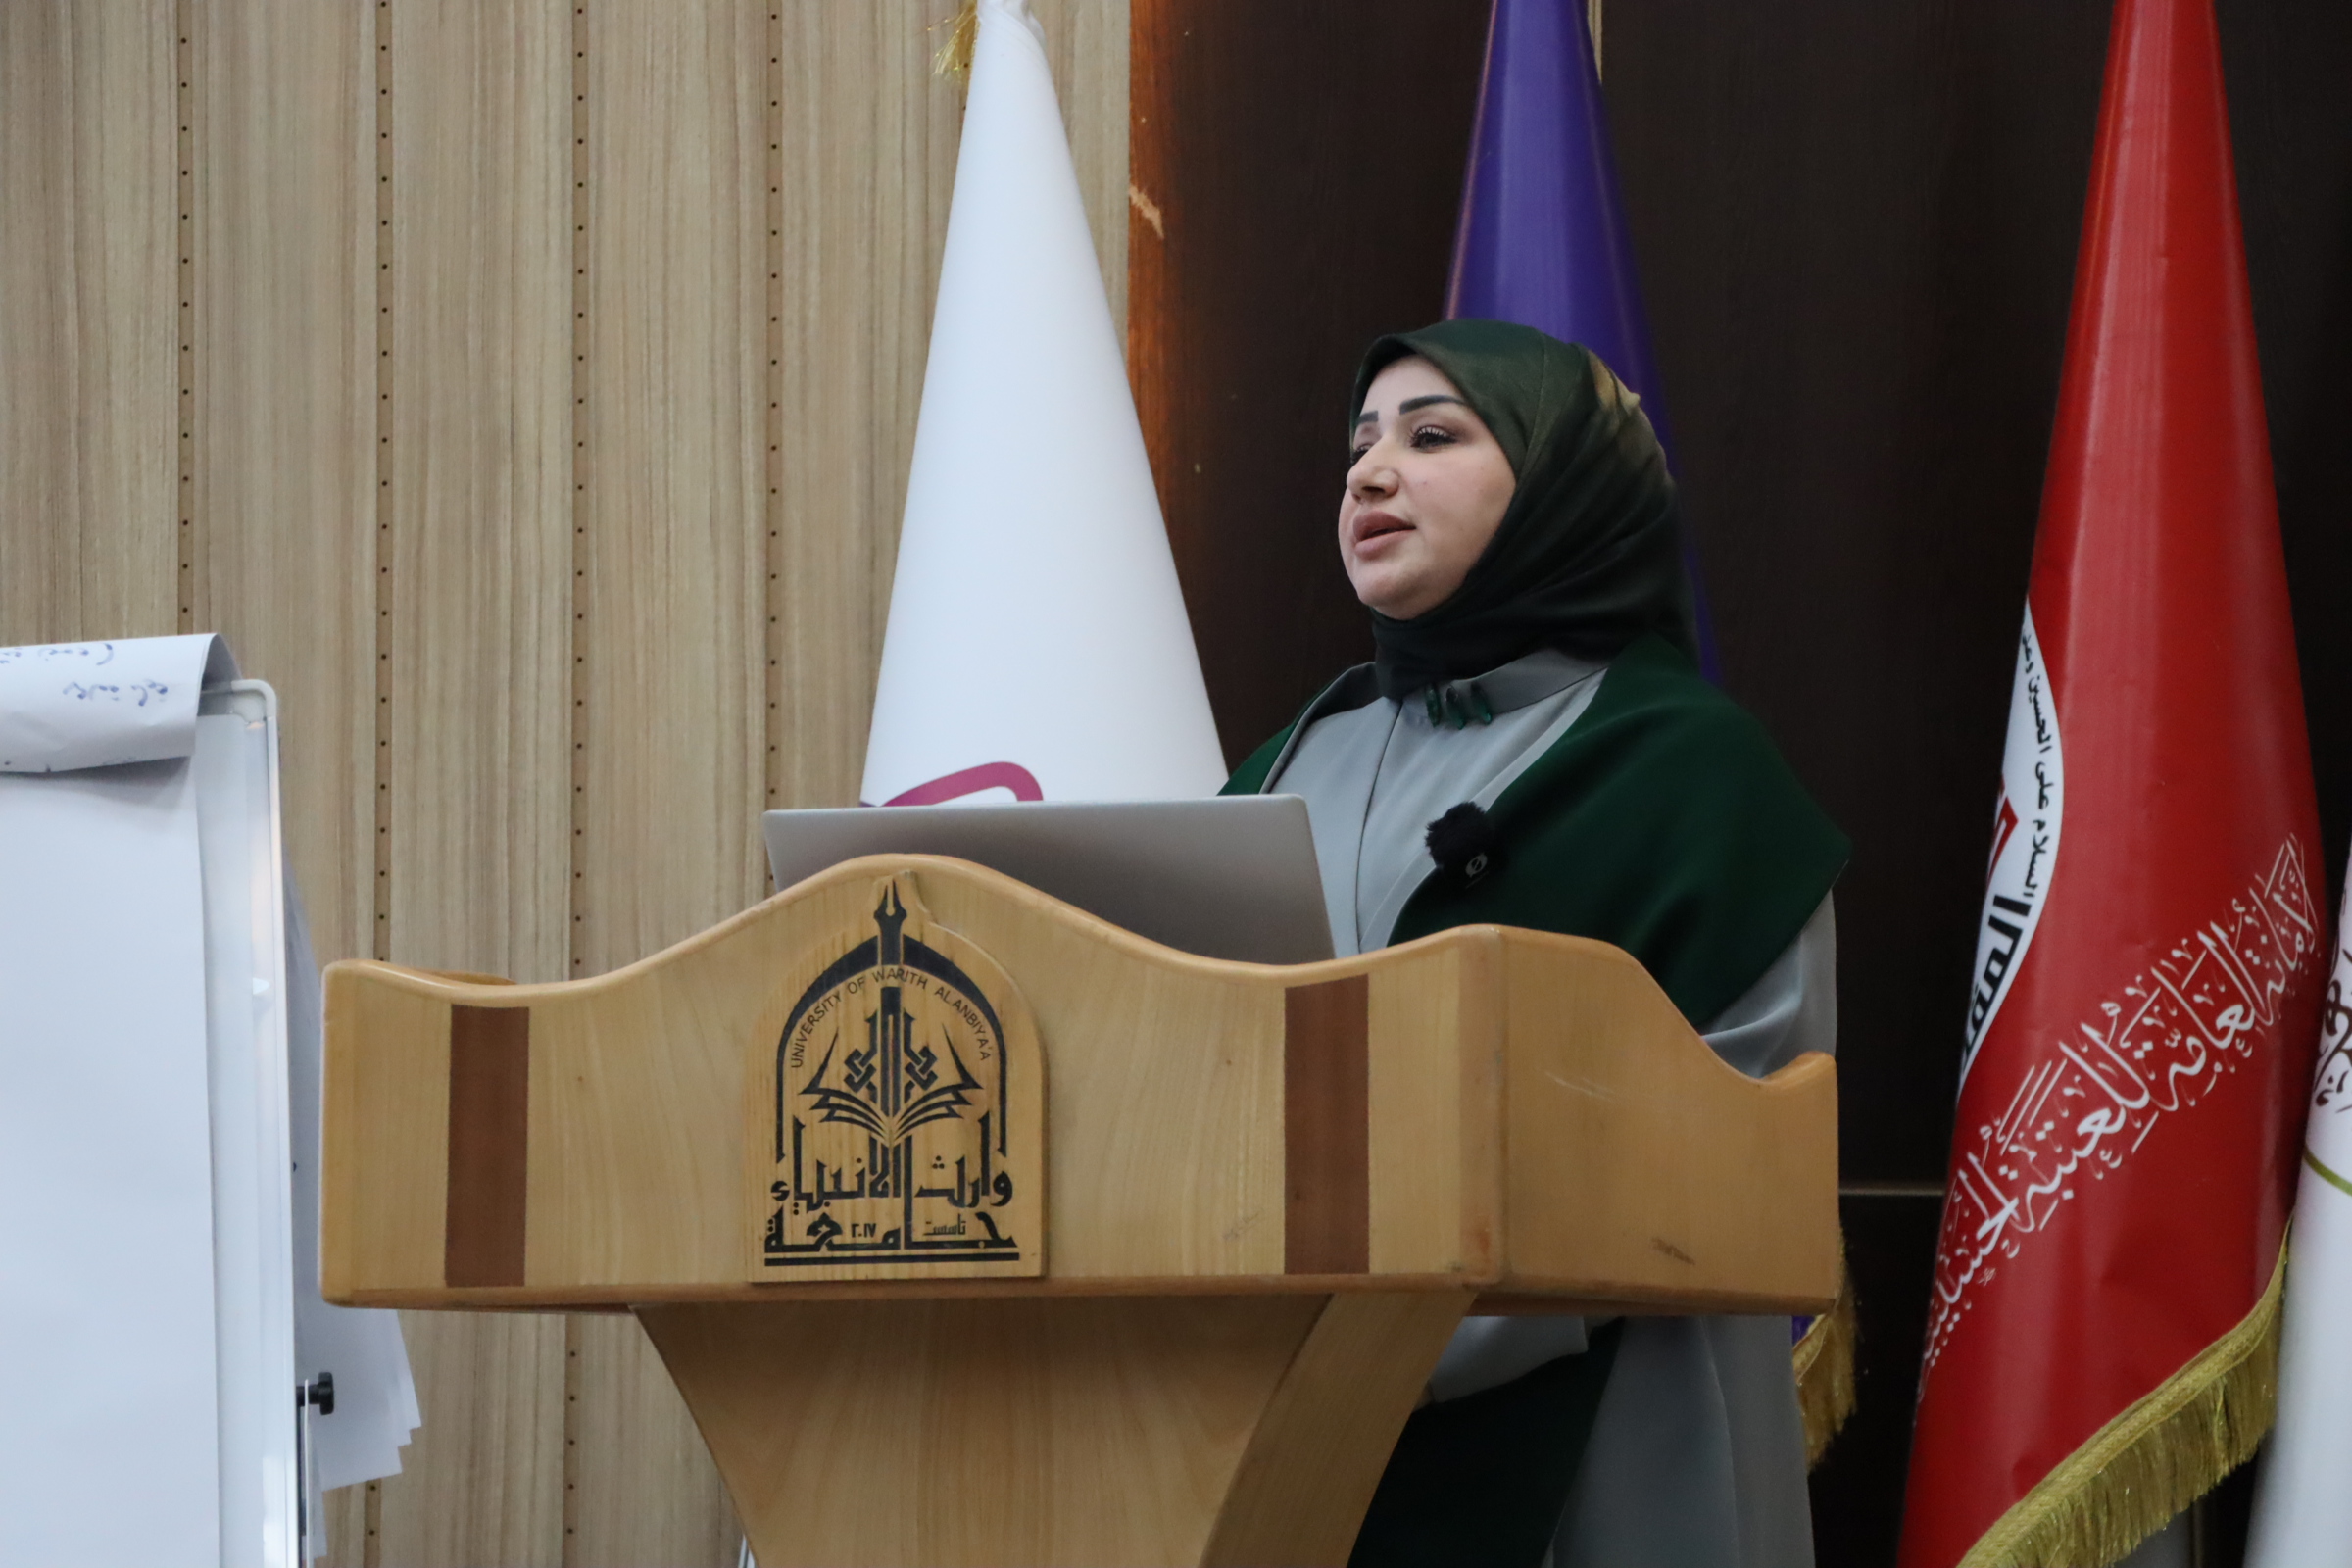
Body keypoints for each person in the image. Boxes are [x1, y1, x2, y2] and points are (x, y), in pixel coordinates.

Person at [1220, 318, 1848, 1568]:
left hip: (1612, 1425)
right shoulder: (1290, 760)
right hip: (1293, 1432)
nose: (1370, 472)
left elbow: (1728, 1143)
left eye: (1431, 436)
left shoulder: (1691, 775)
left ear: (1565, 481)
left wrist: (1385, 1346)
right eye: (1359, 444)